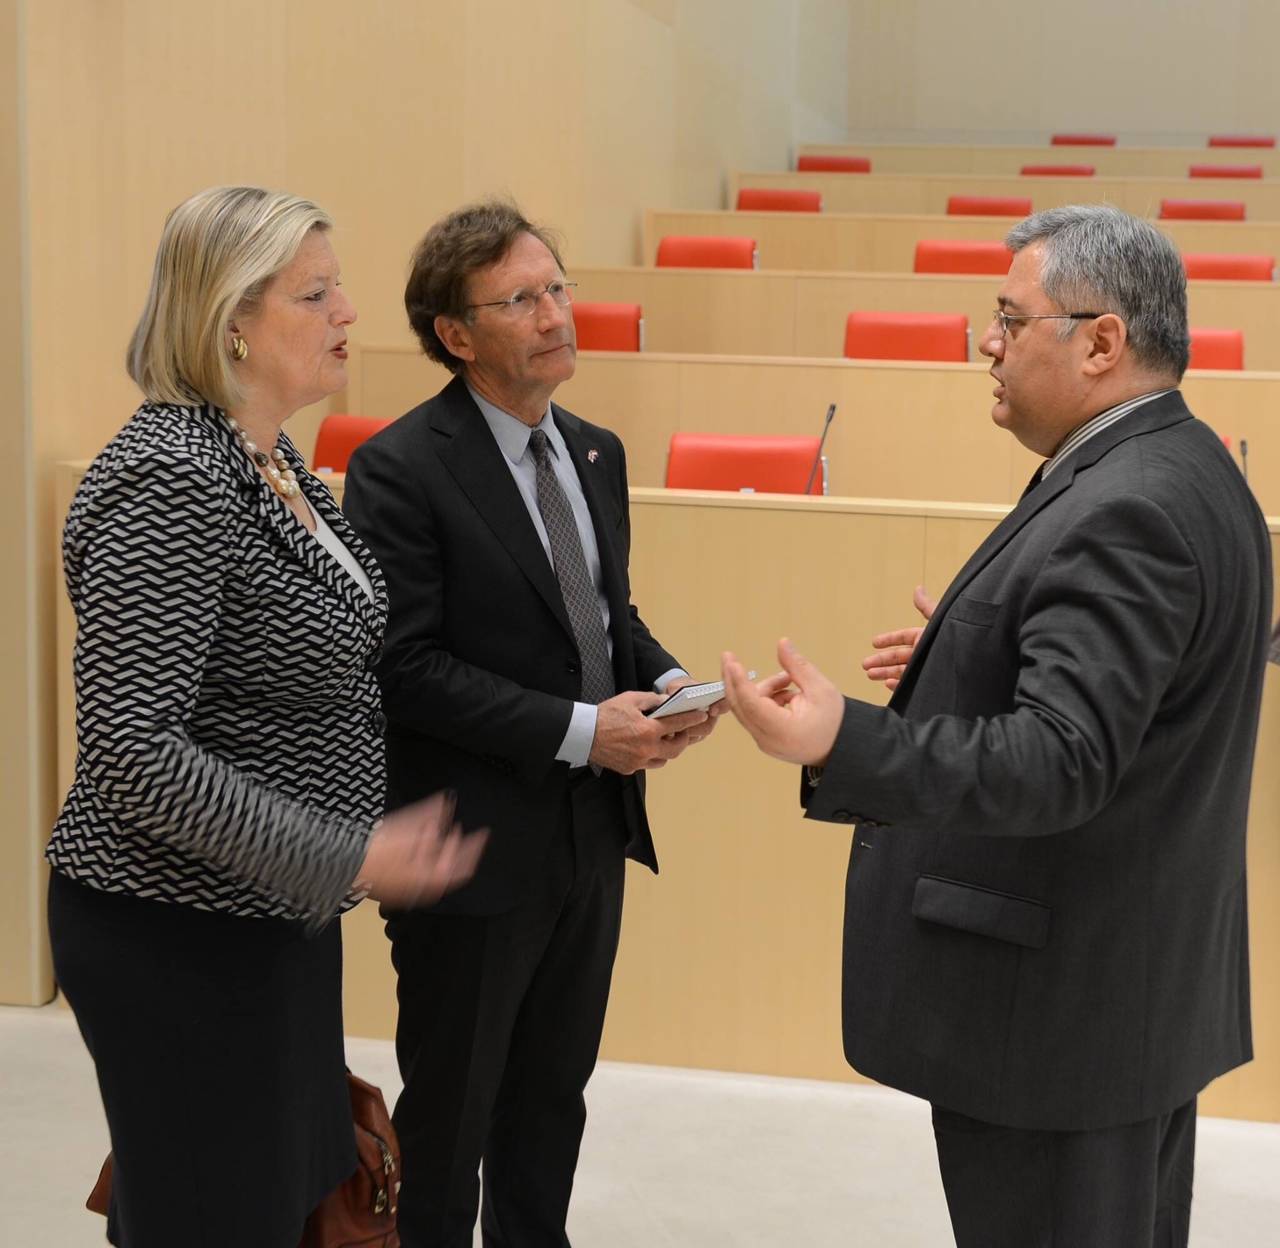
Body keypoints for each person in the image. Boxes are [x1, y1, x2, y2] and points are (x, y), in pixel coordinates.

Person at [722, 204, 1271, 1248]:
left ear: (1100, 341)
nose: (985, 343)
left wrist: (845, 742)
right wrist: (972, 653)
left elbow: (1060, 760)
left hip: (1056, 1023)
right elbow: (1140, 697)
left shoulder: (1127, 504)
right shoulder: (1189, 468)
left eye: (1009, 319)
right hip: (1121, 1000)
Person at [47, 185, 484, 1248]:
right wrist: (346, 855)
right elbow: (133, 753)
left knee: (266, 1203)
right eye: (316, 293)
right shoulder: (172, 477)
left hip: (264, 916)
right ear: (230, 320)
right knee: (214, 1210)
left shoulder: (272, 460)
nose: (348, 315)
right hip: (175, 928)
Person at [343, 199, 720, 1246]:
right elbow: (404, 667)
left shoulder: (592, 451)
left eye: (557, 287)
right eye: (522, 299)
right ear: (455, 334)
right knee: (452, 1117)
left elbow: (602, 619)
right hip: (469, 847)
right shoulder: (400, 467)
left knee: (552, 1101)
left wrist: (675, 682)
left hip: (589, 836)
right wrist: (578, 729)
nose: (558, 314)